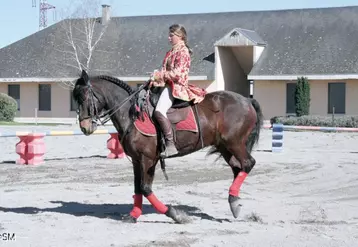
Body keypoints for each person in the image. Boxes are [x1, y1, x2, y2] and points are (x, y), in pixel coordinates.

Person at [150, 23, 207, 157]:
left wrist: (159, 75)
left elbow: (178, 74)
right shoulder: (171, 52)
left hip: (176, 87)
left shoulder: (183, 51)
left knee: (159, 111)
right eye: (169, 35)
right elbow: (165, 71)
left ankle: (170, 144)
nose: (168, 38)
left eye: (171, 35)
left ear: (180, 36)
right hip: (166, 85)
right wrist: (154, 79)